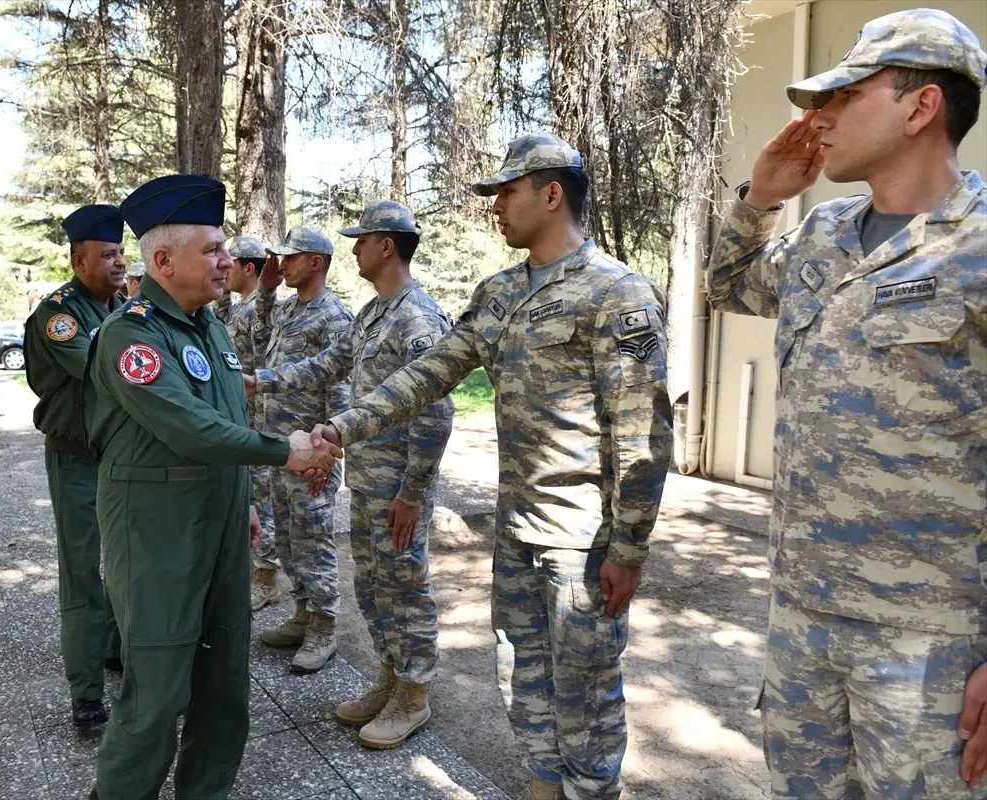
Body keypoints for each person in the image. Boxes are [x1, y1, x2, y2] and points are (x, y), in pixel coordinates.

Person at [313, 133, 673, 800]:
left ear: (552, 193)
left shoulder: (617, 293)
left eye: (506, 192)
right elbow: (428, 375)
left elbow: (642, 433)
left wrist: (630, 545)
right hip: (517, 532)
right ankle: (544, 781)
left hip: (583, 544)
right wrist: (341, 426)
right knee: (521, 674)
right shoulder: (499, 293)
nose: (496, 207)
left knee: (586, 688)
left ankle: (592, 790)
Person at [706, 9, 987, 799]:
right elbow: (727, 286)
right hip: (800, 615)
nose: (814, 119)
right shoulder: (823, 234)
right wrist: (758, 200)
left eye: (842, 97)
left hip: (928, 643)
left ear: (920, 106)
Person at [83, 174, 343, 800]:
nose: (230, 262)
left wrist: (246, 504)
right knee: (157, 695)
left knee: (225, 687)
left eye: (226, 250)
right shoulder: (132, 335)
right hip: (158, 539)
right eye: (214, 251)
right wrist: (288, 451)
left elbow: (228, 421)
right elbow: (191, 428)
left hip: (223, 528)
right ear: (164, 260)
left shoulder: (211, 328)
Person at [249, 200, 454, 749]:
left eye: (361, 240)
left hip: (398, 487)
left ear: (387, 246)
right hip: (367, 480)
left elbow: (436, 411)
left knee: (405, 586)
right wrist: (261, 381)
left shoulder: (417, 318)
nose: (355, 249)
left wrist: (413, 492)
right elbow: (324, 366)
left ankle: (414, 697)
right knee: (373, 584)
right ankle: (388, 678)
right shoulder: (372, 314)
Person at [23, 204, 128, 729]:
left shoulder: (122, 305)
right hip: (76, 459)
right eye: (106, 255)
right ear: (78, 260)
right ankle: (86, 694)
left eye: (120, 253)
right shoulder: (58, 312)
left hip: (118, 456)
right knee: (83, 574)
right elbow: (103, 366)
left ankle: (112, 649)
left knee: (125, 564)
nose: (118, 263)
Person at [255, 226, 352, 674]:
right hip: (280, 449)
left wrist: (328, 455)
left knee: (314, 544)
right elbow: (260, 342)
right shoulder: (291, 309)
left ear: (317, 262)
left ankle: (324, 628)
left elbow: (341, 390)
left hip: (311, 454)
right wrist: (266, 292)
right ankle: (302, 613)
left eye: (292, 258)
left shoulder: (333, 317)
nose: (283, 264)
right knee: (288, 542)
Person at [223, 234, 282, 611]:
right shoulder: (237, 308)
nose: (223, 269)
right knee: (254, 495)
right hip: (244, 415)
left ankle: (267, 579)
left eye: (230, 262)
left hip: (259, 414)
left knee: (262, 498)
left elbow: (262, 360)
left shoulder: (256, 312)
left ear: (248, 267)